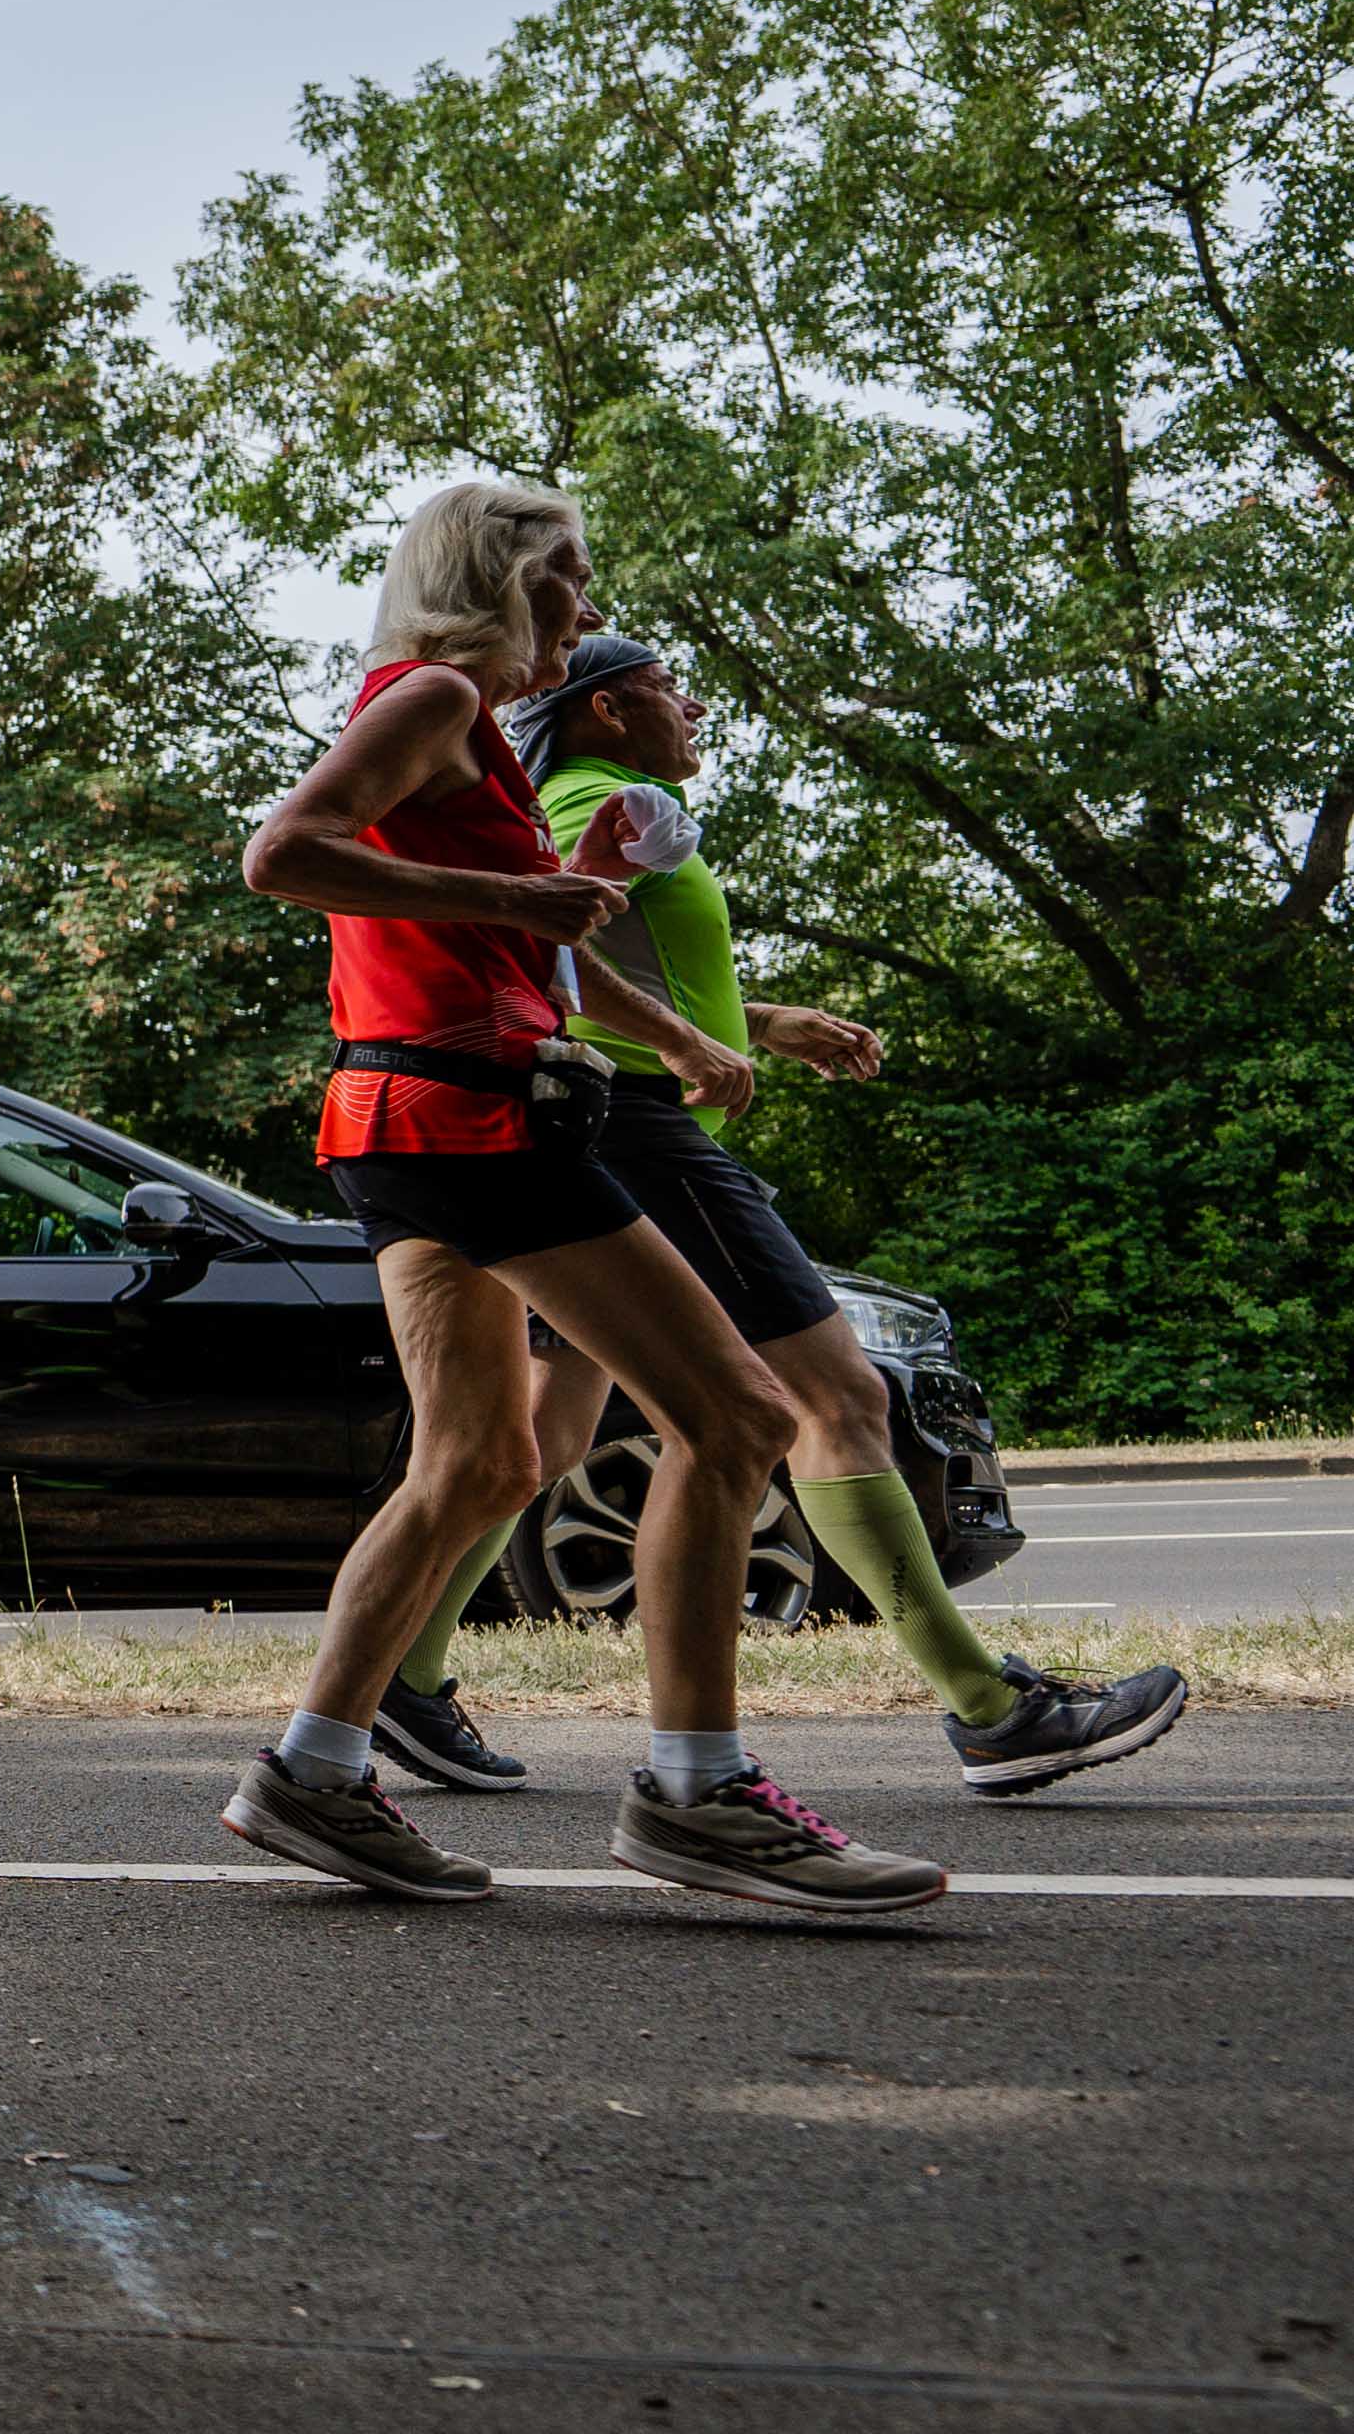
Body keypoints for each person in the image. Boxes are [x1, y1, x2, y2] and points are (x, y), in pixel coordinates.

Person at [220, 481, 941, 1913]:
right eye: (568, 577)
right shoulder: (426, 693)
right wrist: (507, 907)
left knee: (480, 1464)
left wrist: (671, 1033)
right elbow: (283, 852)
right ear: (495, 579)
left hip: (397, 1116)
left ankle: (310, 1768)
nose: (588, 609)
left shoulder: (467, 734)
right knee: (736, 1415)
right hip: (468, 1120)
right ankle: (698, 1792)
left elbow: (538, 931)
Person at [356, 633, 1185, 1801]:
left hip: (566, 1124)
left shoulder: (557, 792)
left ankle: (403, 1672)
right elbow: (537, 947)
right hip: (637, 1132)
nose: (690, 708)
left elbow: (581, 961)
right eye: (663, 687)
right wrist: (686, 1042)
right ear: (601, 708)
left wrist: (753, 1022)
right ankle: (990, 1709)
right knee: (833, 1397)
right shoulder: (612, 795)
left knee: (539, 1438)